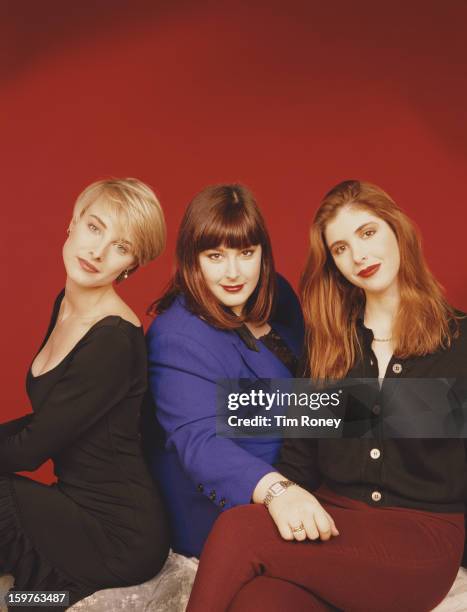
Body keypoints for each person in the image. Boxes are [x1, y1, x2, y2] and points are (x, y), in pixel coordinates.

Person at [186, 180, 467, 612]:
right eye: (340, 248)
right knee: (258, 601)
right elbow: (298, 460)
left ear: (396, 230)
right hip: (333, 523)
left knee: (238, 531)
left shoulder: (459, 342)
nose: (358, 256)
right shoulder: (328, 346)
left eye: (367, 233)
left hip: (421, 539)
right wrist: (283, 502)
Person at [0, 178, 170, 610]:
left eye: (121, 246)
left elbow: (29, 451)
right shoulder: (68, 303)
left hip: (118, 532)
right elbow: (47, 420)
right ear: (71, 224)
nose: (97, 252)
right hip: (73, 502)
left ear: (131, 265)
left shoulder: (111, 336)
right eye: (94, 228)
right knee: (25, 600)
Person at [143, 183, 304, 558]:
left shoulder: (275, 293)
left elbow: (308, 396)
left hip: (303, 465)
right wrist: (280, 491)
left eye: (246, 253)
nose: (233, 273)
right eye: (215, 256)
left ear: (263, 253)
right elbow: (201, 444)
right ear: (192, 260)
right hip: (227, 507)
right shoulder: (176, 337)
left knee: (432, 432)